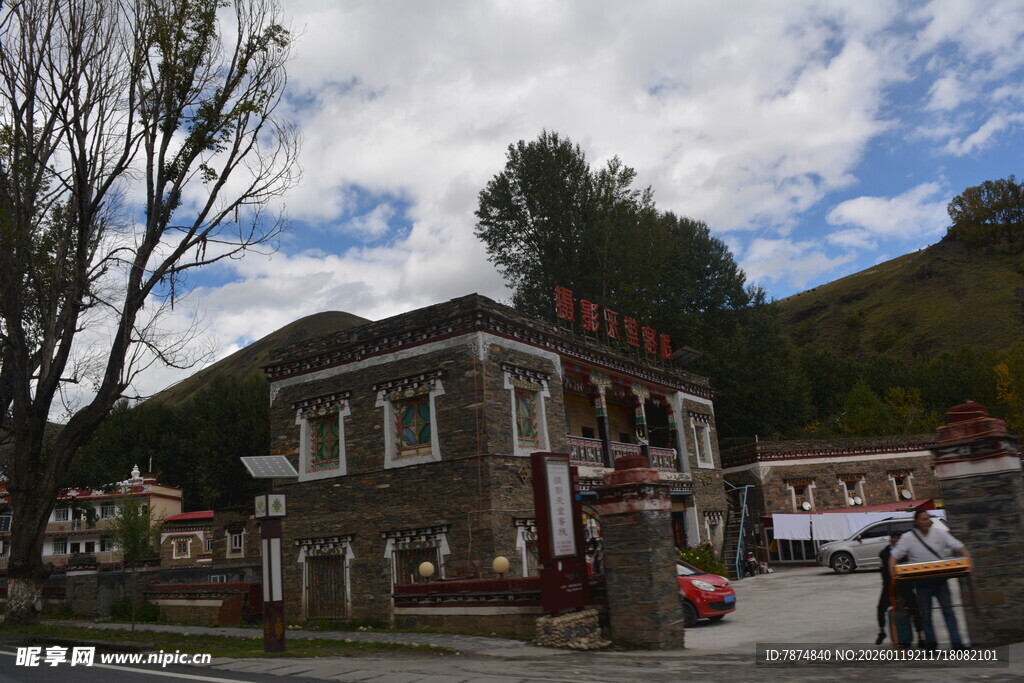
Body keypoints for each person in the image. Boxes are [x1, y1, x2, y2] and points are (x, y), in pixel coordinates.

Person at [888, 510, 971, 649]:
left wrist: (968, 560)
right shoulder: (908, 537)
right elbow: (894, 556)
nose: (927, 521)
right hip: (922, 582)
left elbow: (958, 545)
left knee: (949, 612)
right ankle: (931, 644)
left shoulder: (939, 533)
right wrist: (893, 573)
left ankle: (957, 643)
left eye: (928, 518)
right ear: (916, 521)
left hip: (940, 580)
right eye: (923, 519)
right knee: (925, 616)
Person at [876, 532, 923, 646]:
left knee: (914, 609)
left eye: (897, 539)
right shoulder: (885, 553)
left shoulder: (906, 552)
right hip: (889, 586)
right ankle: (882, 631)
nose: (894, 540)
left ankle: (920, 636)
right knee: (881, 608)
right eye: (892, 538)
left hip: (905, 585)